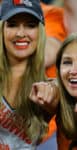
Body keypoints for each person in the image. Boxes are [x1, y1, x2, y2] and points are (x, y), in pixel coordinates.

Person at [0, 0, 51, 149]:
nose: (21, 33)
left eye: (30, 25)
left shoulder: (48, 87)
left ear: (40, 32)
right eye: (13, 24)